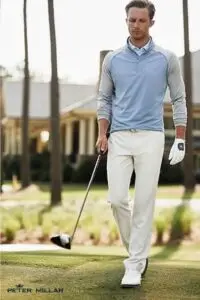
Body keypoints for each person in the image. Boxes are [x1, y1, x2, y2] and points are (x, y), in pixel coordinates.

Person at [96, 0, 187, 288]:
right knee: (118, 200)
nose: (136, 25)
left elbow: (179, 99)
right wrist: (102, 132)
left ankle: (134, 264)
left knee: (144, 203)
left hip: (151, 136)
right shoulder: (112, 59)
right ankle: (136, 252)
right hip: (119, 136)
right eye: (131, 20)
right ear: (126, 21)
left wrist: (181, 138)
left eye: (141, 21)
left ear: (151, 23)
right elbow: (104, 99)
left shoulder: (166, 58)